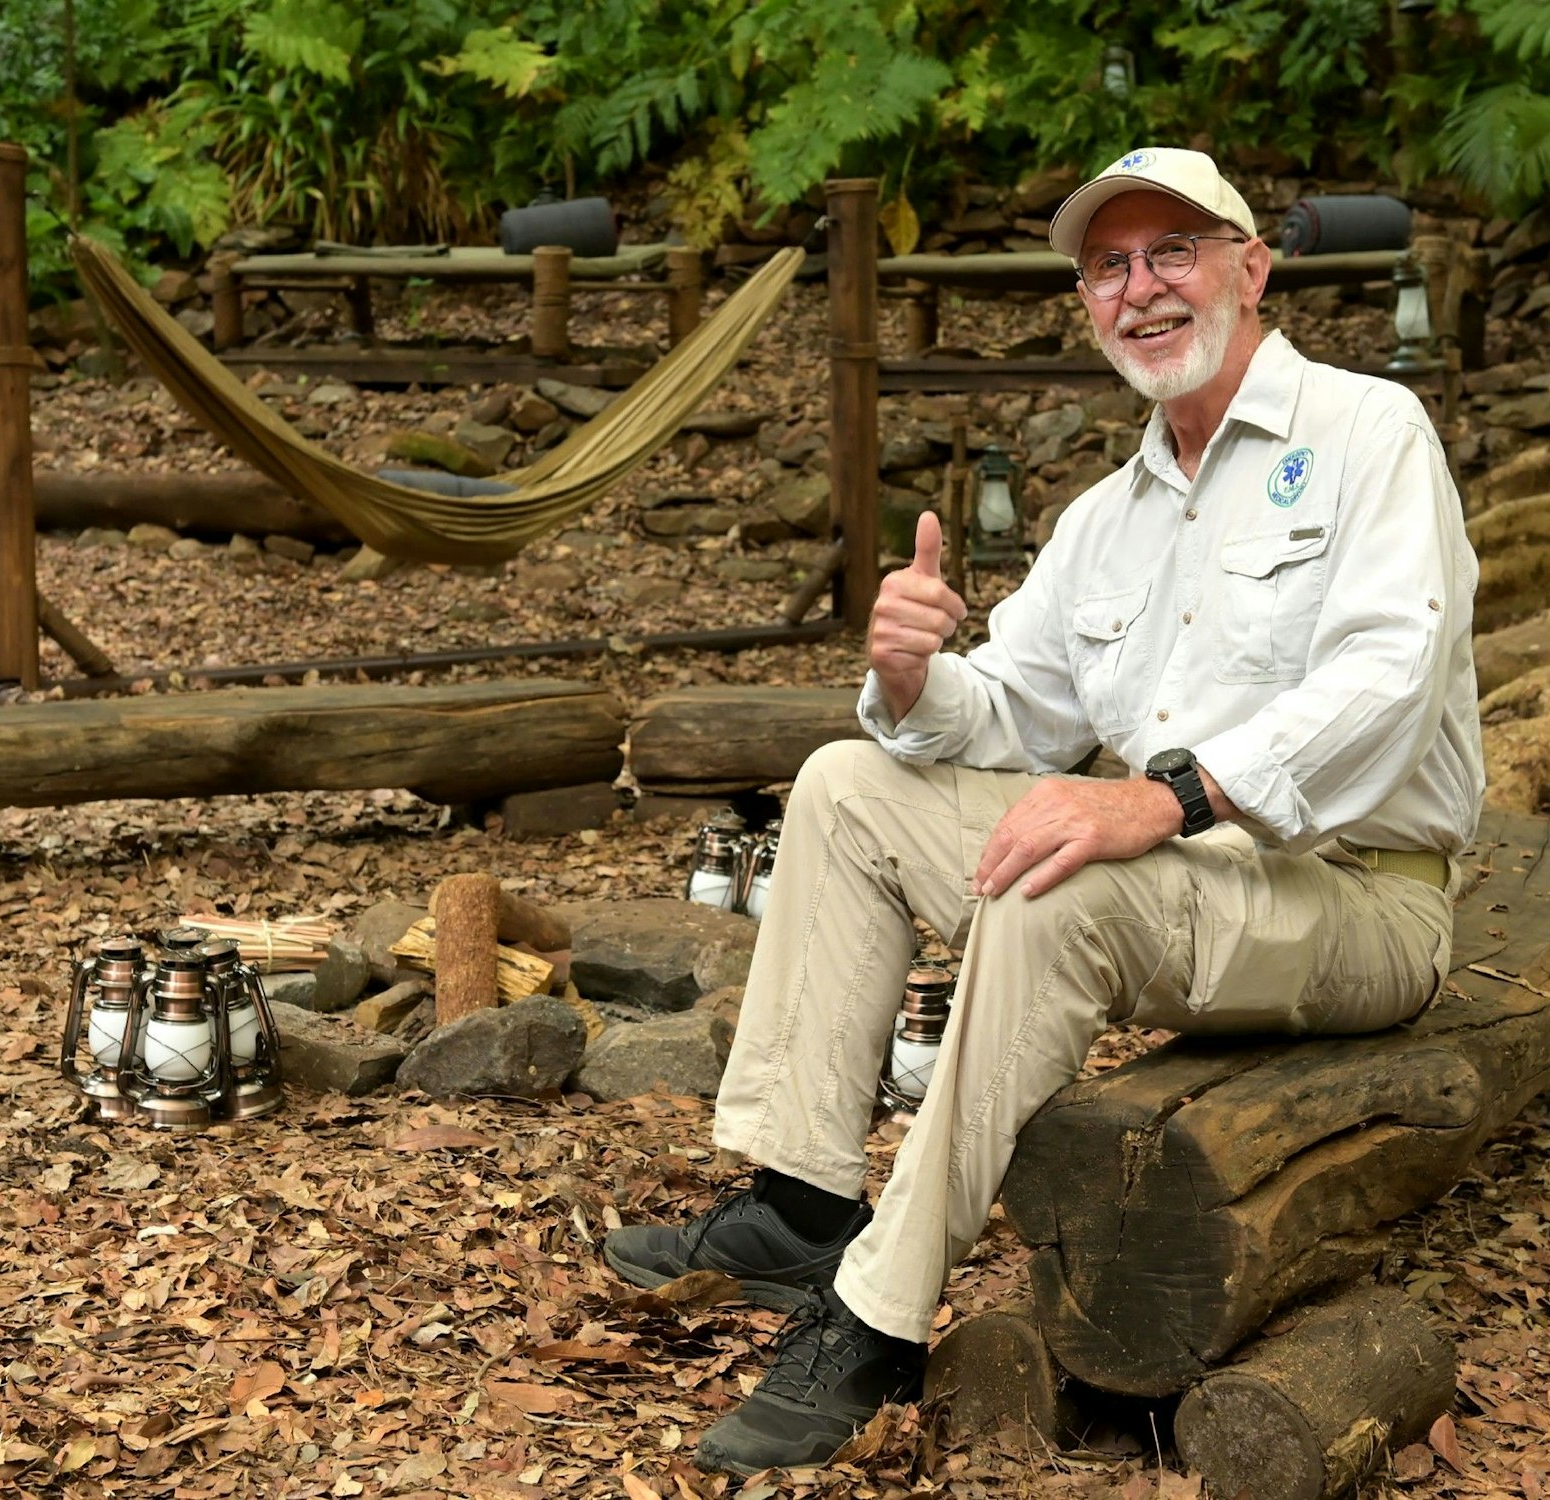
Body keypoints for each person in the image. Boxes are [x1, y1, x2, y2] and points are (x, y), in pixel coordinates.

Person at [603, 146, 1484, 1476]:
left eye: (1172, 251)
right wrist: (911, 674)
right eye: (1108, 267)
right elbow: (1007, 718)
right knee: (846, 783)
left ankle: (880, 1317)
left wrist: (1164, 797)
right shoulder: (1106, 521)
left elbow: (1388, 681)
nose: (1140, 288)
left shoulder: (1367, 435)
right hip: (1193, 881)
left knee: (1059, 876)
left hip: (1360, 897)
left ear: (1253, 269)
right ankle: (798, 1202)